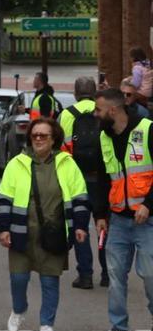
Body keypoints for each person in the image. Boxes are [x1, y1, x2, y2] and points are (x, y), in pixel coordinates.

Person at [0, 118, 90, 331]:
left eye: (43, 135)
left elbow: (80, 197)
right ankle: (19, 309)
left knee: (49, 281)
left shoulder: (67, 164)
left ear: (54, 138)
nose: (38, 139)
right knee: (18, 279)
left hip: (53, 234)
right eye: (34, 135)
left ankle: (47, 323)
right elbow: (4, 199)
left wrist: (80, 225)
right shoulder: (17, 163)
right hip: (21, 232)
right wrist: (3, 228)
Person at [93, 88, 153, 331]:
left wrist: (148, 205)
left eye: (98, 110)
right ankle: (119, 328)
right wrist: (100, 214)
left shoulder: (148, 130)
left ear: (113, 110)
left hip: (147, 221)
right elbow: (103, 179)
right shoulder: (104, 137)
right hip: (117, 220)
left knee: (150, 275)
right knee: (116, 276)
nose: (95, 114)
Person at [57, 78, 107, 289]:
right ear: (94, 92)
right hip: (101, 178)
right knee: (103, 224)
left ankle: (85, 274)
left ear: (75, 93)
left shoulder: (66, 115)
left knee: (80, 225)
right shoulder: (102, 111)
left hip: (76, 179)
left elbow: (60, 149)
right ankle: (107, 273)